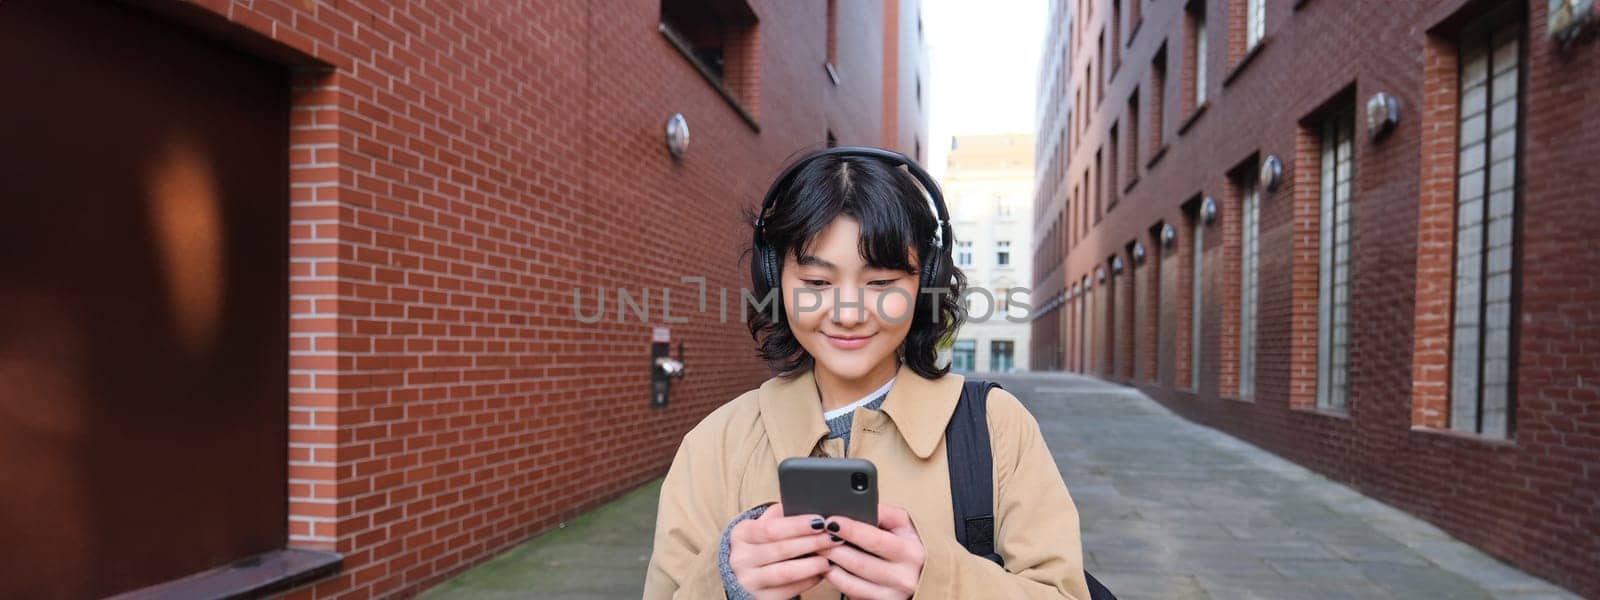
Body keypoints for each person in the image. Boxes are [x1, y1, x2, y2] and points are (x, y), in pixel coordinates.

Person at [642, 147, 1092, 600]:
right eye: (817, 283)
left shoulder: (995, 428)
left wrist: (935, 581)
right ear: (775, 282)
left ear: (926, 283)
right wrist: (725, 583)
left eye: (880, 283)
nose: (849, 314)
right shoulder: (715, 444)